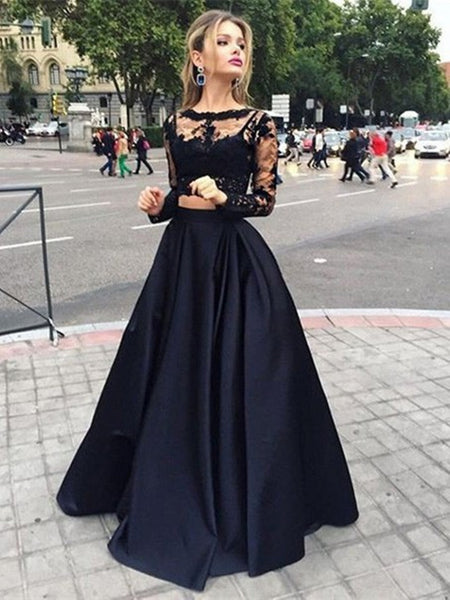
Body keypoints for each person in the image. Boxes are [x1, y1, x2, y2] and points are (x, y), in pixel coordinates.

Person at [57, 9, 358, 592]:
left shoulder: (258, 123)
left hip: (234, 264)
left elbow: (264, 201)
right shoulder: (177, 122)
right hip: (181, 262)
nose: (237, 49)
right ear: (199, 57)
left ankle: (245, 491)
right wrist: (158, 205)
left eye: (241, 42)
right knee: (166, 370)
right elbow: (177, 193)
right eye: (224, 41)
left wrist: (224, 197)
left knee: (247, 375)